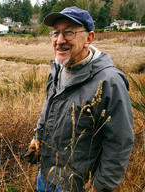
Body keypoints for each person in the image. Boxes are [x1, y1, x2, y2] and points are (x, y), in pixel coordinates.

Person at [30, 6, 134, 192]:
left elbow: (120, 142)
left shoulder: (110, 82)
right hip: (46, 176)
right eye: (55, 33)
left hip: (77, 185)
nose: (59, 41)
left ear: (89, 38)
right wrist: (37, 135)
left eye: (68, 33)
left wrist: (101, 186)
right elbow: (49, 109)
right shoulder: (58, 70)